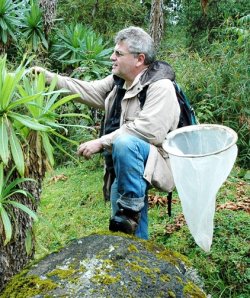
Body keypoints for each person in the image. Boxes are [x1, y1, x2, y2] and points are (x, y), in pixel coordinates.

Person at [32, 26, 180, 240]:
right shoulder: (119, 81)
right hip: (123, 167)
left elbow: (147, 131)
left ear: (139, 59)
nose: (112, 57)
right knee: (126, 229)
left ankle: (130, 213)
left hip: (154, 162)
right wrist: (48, 78)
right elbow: (88, 90)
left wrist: (101, 142)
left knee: (125, 144)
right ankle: (134, 250)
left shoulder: (161, 87)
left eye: (119, 54)